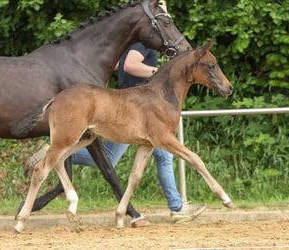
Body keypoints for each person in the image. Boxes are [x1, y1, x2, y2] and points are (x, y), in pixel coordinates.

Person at [71, 42, 207, 224]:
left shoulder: (128, 44)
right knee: (111, 157)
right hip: (136, 110)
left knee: (163, 157)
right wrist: (161, 72)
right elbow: (129, 65)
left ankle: (176, 207)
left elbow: (119, 64)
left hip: (138, 108)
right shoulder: (142, 44)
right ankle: (55, 155)